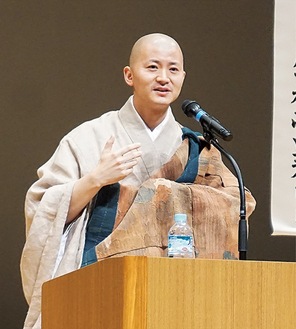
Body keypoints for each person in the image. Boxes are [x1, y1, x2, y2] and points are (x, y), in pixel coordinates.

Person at [20, 33, 256, 329]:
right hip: (101, 286)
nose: (163, 78)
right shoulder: (87, 138)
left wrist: (168, 195)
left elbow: (237, 203)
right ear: (129, 75)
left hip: (178, 291)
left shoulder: (197, 147)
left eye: (173, 69)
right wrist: (94, 180)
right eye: (152, 67)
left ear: (183, 76)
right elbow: (42, 210)